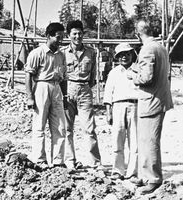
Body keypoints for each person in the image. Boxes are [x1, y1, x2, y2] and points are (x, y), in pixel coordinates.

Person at [127, 19, 173, 194]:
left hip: (151, 101)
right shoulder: (161, 47)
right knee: (145, 140)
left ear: (138, 34)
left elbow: (147, 78)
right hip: (159, 98)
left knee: (150, 141)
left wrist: (133, 77)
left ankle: (153, 178)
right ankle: (144, 174)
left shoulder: (147, 49)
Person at [25, 22, 67, 170]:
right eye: (58, 37)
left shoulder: (61, 55)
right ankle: (40, 159)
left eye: (62, 37)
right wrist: (30, 97)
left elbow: (64, 78)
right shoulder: (37, 53)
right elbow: (29, 76)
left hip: (57, 89)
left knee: (60, 127)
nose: (61, 40)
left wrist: (65, 96)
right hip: (41, 87)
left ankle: (58, 161)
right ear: (48, 36)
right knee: (39, 125)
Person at [61, 20, 101, 170]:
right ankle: (70, 161)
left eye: (80, 33)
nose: (77, 36)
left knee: (89, 129)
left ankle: (95, 163)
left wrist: (84, 88)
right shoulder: (63, 52)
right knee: (67, 129)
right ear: (69, 35)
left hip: (84, 90)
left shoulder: (91, 52)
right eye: (74, 34)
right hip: (67, 89)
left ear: (83, 34)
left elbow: (93, 77)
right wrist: (65, 92)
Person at [103, 43, 139, 181]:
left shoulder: (137, 70)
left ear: (132, 55)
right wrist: (108, 112)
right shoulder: (114, 72)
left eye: (127, 54)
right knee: (117, 139)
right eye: (121, 55)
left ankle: (133, 172)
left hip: (135, 106)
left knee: (134, 141)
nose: (124, 57)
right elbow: (108, 93)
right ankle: (118, 170)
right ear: (117, 57)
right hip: (118, 107)